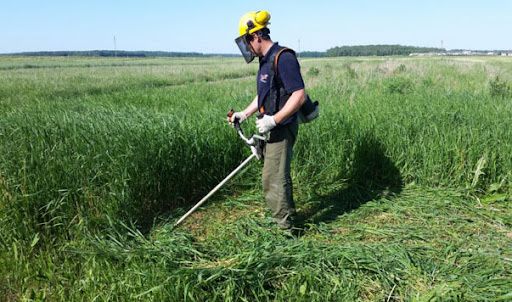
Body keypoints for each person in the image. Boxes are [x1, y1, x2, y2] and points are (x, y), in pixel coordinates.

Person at [228, 11, 306, 230]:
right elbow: (264, 94)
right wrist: (244, 113)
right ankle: (282, 219)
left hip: (282, 128)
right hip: (271, 127)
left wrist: (274, 120)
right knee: (272, 177)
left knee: (274, 179)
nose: (247, 47)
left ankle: (287, 230)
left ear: (256, 36)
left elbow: (298, 94)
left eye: (247, 41)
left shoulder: (284, 57)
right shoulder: (265, 61)